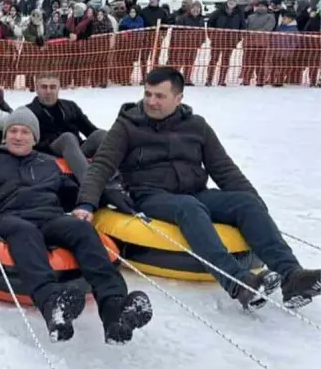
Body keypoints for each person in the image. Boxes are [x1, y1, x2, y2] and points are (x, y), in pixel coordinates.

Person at [73, 67, 321, 310]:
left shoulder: (197, 126)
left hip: (194, 191)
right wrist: (86, 202)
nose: (151, 101)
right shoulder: (127, 125)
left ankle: (292, 276)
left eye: (160, 96)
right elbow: (102, 165)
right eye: (148, 94)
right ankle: (239, 282)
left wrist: (257, 204)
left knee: (246, 204)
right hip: (149, 194)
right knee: (189, 208)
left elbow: (224, 169)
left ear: (178, 98)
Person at [0, 108, 152, 344]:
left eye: (25, 132)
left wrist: (104, 198)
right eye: (13, 131)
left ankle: (114, 309)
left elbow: (72, 192)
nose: (18, 136)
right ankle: (52, 304)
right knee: (24, 232)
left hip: (49, 217)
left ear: (35, 138)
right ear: (5, 135)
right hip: (8, 216)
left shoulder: (47, 164)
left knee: (81, 229)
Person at [25, 72, 105, 182]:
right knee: (68, 138)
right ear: (37, 88)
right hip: (49, 153)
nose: (48, 91)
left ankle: (125, 178)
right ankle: (90, 187)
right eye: (44, 87)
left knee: (102, 135)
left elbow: (91, 130)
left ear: (58, 89)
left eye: (53, 87)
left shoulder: (70, 106)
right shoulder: (28, 111)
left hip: (77, 150)